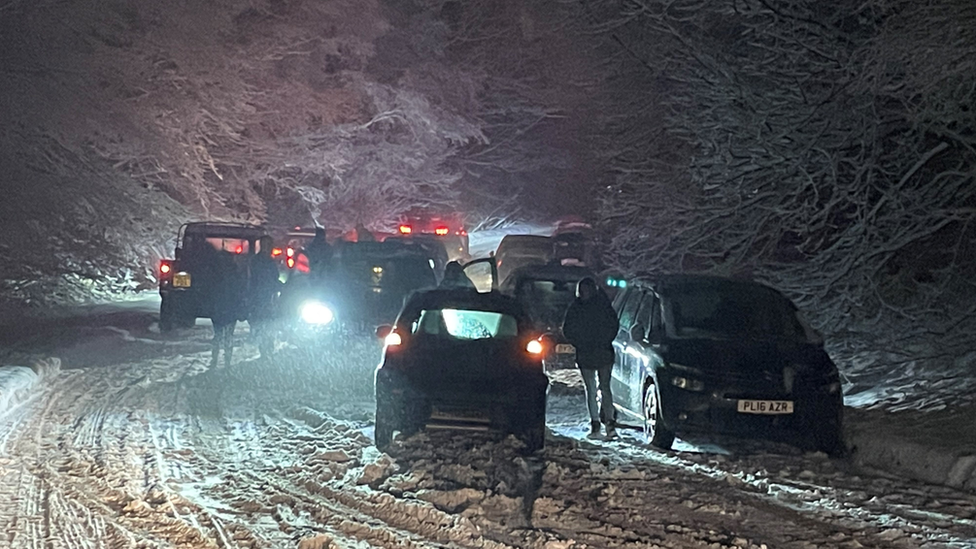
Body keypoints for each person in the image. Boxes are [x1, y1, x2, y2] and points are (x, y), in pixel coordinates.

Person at [562, 277, 620, 438]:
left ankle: (604, 423)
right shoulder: (602, 305)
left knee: (601, 388)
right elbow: (613, 325)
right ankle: (600, 423)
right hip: (598, 352)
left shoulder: (578, 307)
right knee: (596, 388)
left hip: (594, 352)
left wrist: (582, 342)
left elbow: (568, 329)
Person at [208, 250, 244, 368]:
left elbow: (211, 291)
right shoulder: (235, 273)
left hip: (219, 308)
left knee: (218, 334)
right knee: (229, 335)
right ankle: (227, 362)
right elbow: (238, 291)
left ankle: (214, 360)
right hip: (230, 308)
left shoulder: (214, 273)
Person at [249, 235, 281, 359]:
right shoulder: (262, 261)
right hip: (262, 297)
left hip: (264, 296)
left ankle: (266, 348)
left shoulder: (259, 260)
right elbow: (269, 279)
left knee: (265, 324)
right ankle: (265, 348)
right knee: (265, 323)